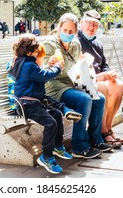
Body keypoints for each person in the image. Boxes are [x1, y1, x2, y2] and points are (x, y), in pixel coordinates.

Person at [43, 13, 112, 160]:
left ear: (75, 32)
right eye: (65, 30)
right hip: (54, 87)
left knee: (99, 98)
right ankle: (79, 147)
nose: (67, 34)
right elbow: (41, 68)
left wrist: (83, 61)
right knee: (84, 99)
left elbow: (78, 67)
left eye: (71, 32)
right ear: (59, 27)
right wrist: (49, 64)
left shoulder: (75, 44)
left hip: (72, 84)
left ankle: (96, 139)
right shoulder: (49, 44)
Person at [7, 34, 72, 174]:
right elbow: (44, 76)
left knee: (56, 114)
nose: (37, 53)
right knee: (50, 123)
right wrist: (57, 68)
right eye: (36, 51)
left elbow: (39, 73)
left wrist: (49, 67)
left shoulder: (22, 62)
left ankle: (58, 146)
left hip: (30, 102)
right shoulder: (28, 65)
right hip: (27, 105)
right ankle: (47, 156)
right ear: (30, 51)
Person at [77, 10, 123, 148]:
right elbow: (77, 71)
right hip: (83, 81)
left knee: (119, 85)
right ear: (81, 23)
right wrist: (99, 76)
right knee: (103, 87)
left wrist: (110, 73)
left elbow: (103, 64)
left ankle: (108, 128)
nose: (92, 28)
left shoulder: (98, 43)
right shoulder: (75, 42)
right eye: (89, 24)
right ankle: (102, 131)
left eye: (96, 25)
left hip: (98, 80)